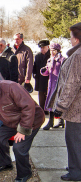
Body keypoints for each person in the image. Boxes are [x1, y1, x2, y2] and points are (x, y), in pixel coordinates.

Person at [47, 22, 81, 181]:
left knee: (74, 140)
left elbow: (72, 84)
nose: (70, 39)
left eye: (71, 35)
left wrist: (60, 107)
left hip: (76, 109)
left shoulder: (78, 55)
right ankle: (76, 165)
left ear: (76, 38)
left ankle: (76, 171)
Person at [40, 43, 65, 130]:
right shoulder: (50, 59)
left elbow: (65, 72)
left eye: (53, 50)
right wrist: (43, 70)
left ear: (57, 50)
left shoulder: (62, 59)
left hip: (59, 84)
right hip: (51, 84)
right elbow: (47, 72)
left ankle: (60, 120)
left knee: (58, 102)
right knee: (50, 101)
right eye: (51, 50)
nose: (51, 52)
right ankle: (51, 121)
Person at [33, 40, 50, 115]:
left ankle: (47, 108)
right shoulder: (37, 56)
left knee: (47, 93)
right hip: (39, 78)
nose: (42, 49)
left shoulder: (50, 55)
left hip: (48, 78)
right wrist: (34, 74)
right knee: (40, 94)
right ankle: (41, 108)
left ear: (48, 47)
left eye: (43, 47)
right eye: (41, 48)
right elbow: (35, 66)